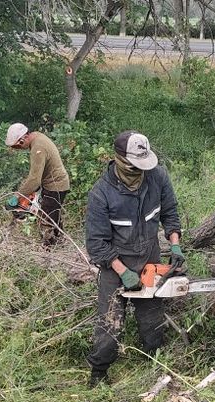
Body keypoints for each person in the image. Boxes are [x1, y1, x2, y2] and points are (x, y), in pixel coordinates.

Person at [84, 131, 183, 388]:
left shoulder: (157, 176)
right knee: (110, 324)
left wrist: (175, 247)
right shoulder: (101, 194)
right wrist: (123, 271)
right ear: (120, 160)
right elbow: (97, 243)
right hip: (115, 264)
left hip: (150, 255)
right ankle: (98, 374)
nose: (140, 171)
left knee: (152, 318)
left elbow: (170, 212)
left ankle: (154, 364)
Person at [4, 123, 71, 247]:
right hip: (55, 184)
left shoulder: (38, 148)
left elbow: (35, 179)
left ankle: (48, 252)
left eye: (17, 146)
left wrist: (18, 196)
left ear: (22, 139)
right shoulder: (37, 137)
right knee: (53, 217)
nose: (18, 149)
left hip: (55, 186)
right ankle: (61, 246)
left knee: (46, 221)